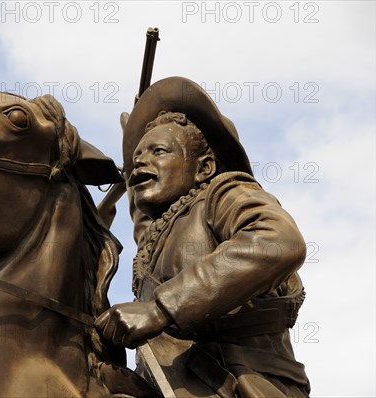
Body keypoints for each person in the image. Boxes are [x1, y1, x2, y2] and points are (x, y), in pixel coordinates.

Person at [95, 77, 311, 398]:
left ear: (204, 168)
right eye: (137, 157)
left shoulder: (223, 194)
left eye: (159, 151)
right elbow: (144, 222)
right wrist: (132, 148)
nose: (141, 161)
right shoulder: (156, 235)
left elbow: (277, 240)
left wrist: (160, 310)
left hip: (237, 382)